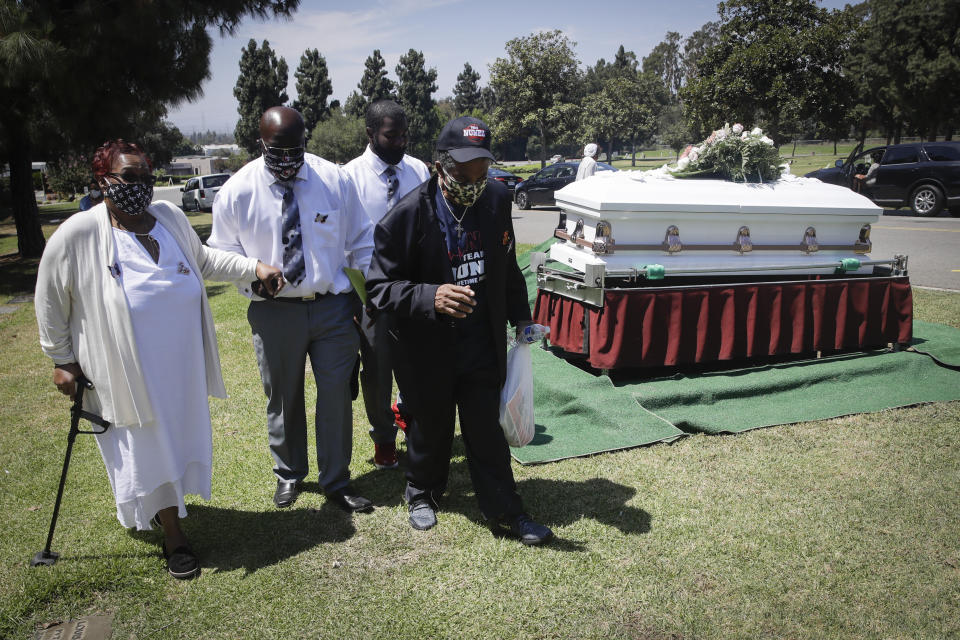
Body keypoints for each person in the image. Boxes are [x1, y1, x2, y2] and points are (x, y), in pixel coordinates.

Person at [35, 139, 285, 579]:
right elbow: (51, 300)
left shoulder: (168, 218)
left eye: (147, 177)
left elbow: (203, 259)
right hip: (126, 370)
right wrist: (62, 359)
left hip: (180, 366)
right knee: (145, 446)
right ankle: (174, 535)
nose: (141, 186)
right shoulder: (79, 234)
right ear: (103, 180)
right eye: (130, 177)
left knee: (175, 438)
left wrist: (255, 267)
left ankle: (165, 505)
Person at [366, 116, 553, 545]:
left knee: (486, 430)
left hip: (479, 343)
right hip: (425, 347)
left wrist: (520, 317)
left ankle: (507, 509)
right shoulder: (405, 216)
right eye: (464, 175)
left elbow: (506, 265)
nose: (475, 182)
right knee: (429, 427)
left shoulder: (496, 199)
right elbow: (378, 288)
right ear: (438, 166)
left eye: (482, 172)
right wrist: (429, 296)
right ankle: (422, 492)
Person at [208, 106, 375, 513]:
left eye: (294, 150)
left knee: (336, 395)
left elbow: (362, 240)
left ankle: (336, 480)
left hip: (332, 307)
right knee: (283, 396)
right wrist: (252, 276)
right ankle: (289, 474)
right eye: (275, 151)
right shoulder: (237, 190)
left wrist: (364, 296)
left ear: (306, 141)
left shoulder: (333, 179)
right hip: (274, 311)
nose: (285, 159)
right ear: (259, 143)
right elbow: (220, 253)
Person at [342, 99, 430, 470]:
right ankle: (383, 439)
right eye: (391, 136)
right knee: (377, 371)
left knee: (417, 363)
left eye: (404, 136)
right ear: (370, 134)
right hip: (369, 292)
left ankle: (415, 427)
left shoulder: (418, 170)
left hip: (412, 288)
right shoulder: (348, 177)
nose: (400, 143)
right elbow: (343, 238)